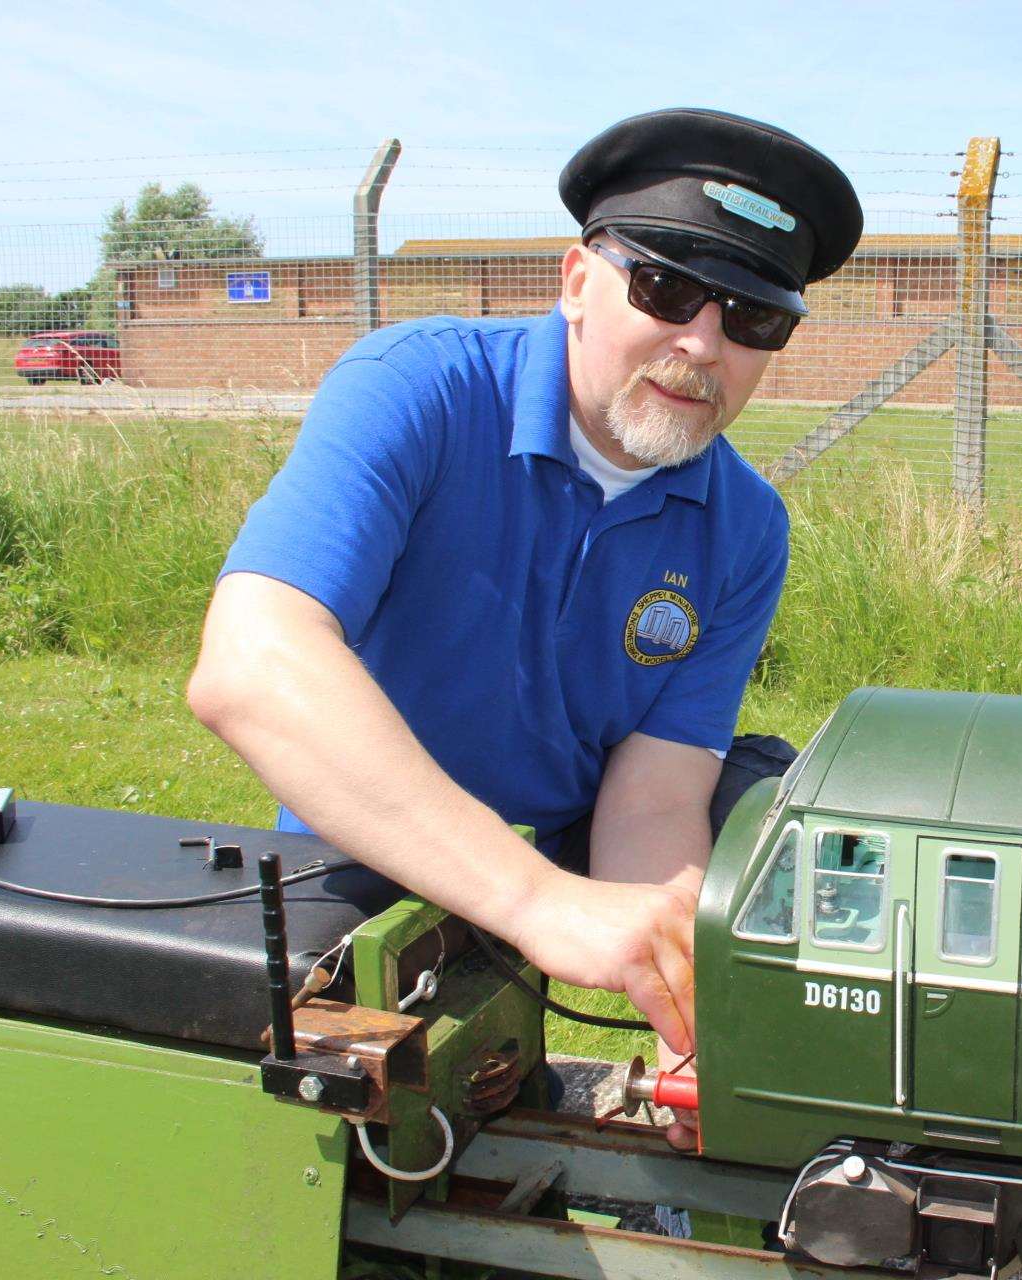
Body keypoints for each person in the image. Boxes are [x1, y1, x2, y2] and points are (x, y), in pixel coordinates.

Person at [187, 109, 863, 1082]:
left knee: (779, 823)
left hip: (567, 827)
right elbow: (249, 663)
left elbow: (657, 793)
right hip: (369, 829)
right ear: (577, 283)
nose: (704, 344)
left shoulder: (745, 526)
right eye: (666, 287)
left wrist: (696, 1010)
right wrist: (540, 903)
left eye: (752, 317)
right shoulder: (415, 388)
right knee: (338, 1109)